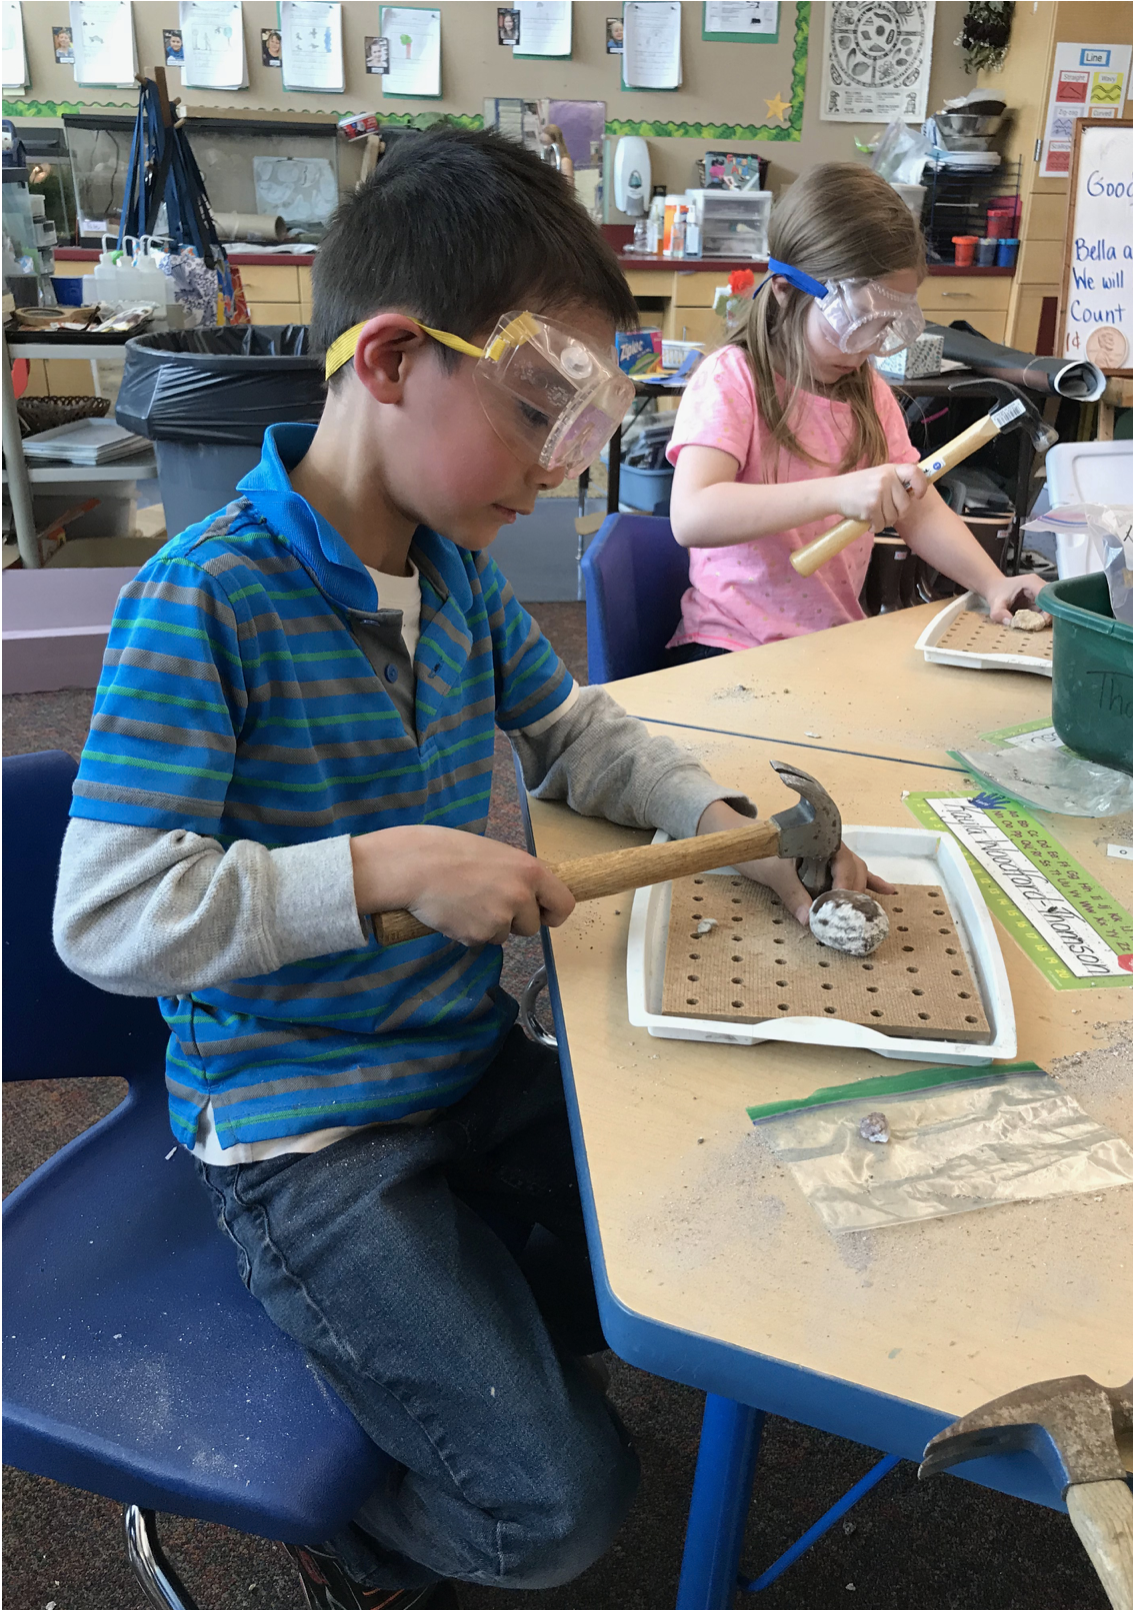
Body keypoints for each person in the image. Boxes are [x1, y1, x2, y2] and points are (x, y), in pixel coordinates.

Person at [52, 129, 885, 1610]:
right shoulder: (202, 605)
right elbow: (108, 915)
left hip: (457, 1065)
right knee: (557, 1506)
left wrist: (732, 818)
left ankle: (460, 1352)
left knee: (704, 1289)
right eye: (539, 409)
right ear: (386, 361)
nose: (565, 466)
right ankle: (355, 1555)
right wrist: (375, 874)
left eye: (589, 420)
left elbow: (575, 737)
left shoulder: (453, 578)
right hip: (308, 1145)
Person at [665, 162, 1046, 661]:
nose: (868, 347)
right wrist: (836, 493)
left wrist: (994, 583)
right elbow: (692, 516)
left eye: (886, 326)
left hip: (830, 644)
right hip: (728, 644)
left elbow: (919, 506)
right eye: (854, 322)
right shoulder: (732, 379)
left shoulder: (866, 391)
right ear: (786, 289)